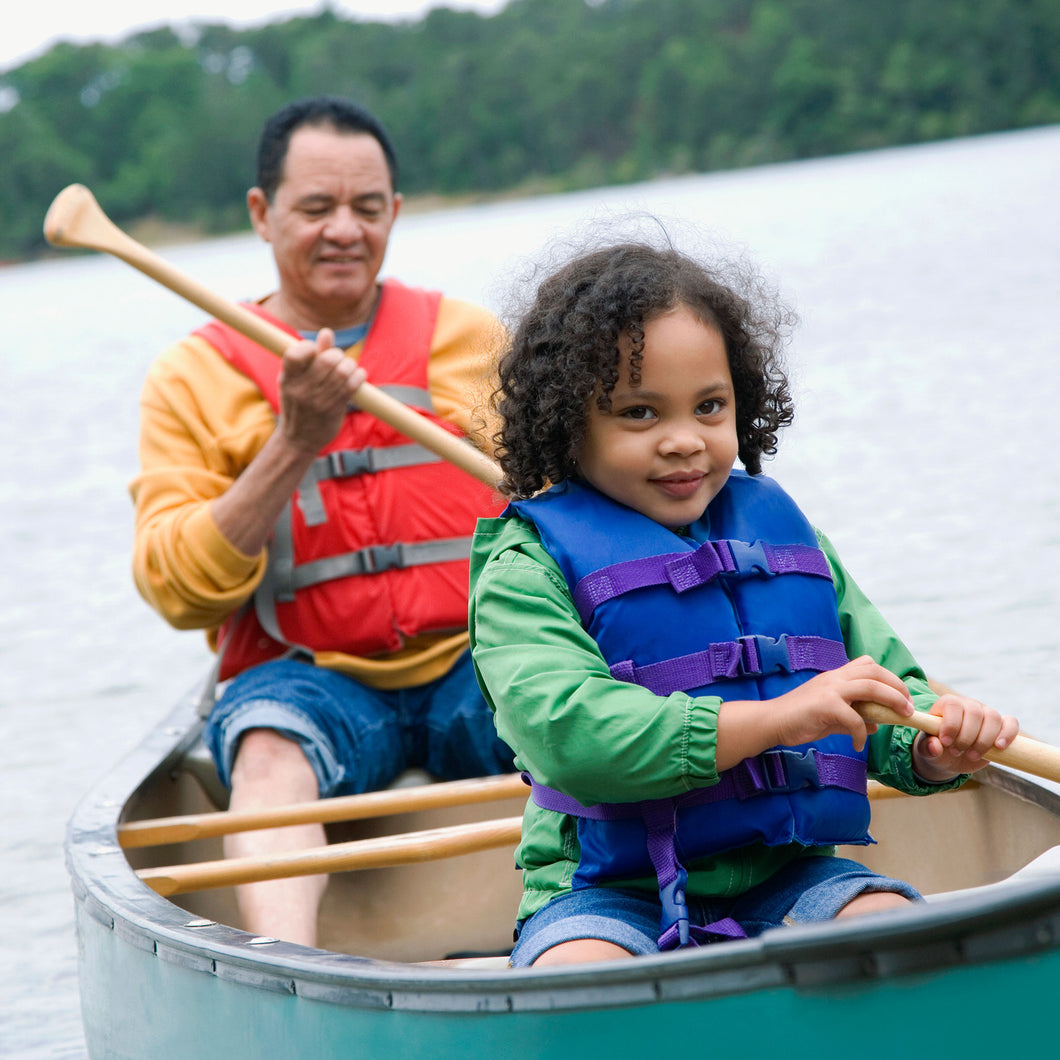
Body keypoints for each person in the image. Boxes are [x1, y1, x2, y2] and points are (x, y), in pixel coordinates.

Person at [467, 240, 1019, 967]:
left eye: (709, 406)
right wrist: (780, 718)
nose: (684, 441)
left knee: (891, 931)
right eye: (640, 413)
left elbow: (884, 692)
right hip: (607, 890)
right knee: (582, 972)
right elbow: (575, 737)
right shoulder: (524, 563)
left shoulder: (786, 534)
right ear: (570, 424)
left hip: (792, 871)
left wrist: (931, 746)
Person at [131, 96, 513, 947]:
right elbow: (176, 591)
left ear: (395, 213)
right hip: (310, 679)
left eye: (367, 208)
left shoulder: (470, 339)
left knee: (569, 699)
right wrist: (295, 442)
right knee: (268, 748)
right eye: (316, 208)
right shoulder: (192, 378)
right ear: (262, 215)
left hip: (476, 661)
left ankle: (626, 913)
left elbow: (566, 504)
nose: (345, 229)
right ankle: (291, 972)